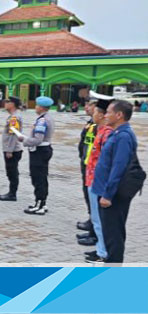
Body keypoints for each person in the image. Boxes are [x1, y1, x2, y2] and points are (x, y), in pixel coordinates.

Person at [93, 100, 141, 263]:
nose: (105, 115)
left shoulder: (123, 136)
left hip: (113, 195)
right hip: (107, 191)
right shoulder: (117, 133)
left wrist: (107, 195)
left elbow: (118, 168)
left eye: (108, 112)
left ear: (119, 115)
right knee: (110, 234)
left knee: (113, 235)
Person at [82, 97, 113, 262]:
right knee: (96, 218)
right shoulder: (99, 130)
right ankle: (101, 249)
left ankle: (103, 252)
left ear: (101, 115)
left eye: (94, 111)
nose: (91, 113)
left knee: (100, 220)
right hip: (91, 178)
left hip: (98, 181)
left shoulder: (107, 133)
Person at [20, 96, 55, 215]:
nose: (35, 108)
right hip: (45, 149)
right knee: (42, 177)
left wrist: (24, 140)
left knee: (38, 178)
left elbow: (38, 139)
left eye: (36, 105)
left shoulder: (42, 120)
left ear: (41, 107)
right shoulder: (47, 118)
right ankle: (42, 202)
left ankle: (39, 204)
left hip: (39, 151)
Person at [76, 100, 97, 233]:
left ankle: (94, 223)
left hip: (92, 165)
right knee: (86, 192)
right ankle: (91, 218)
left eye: (89, 105)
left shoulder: (99, 126)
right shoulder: (90, 123)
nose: (86, 107)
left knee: (92, 195)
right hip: (86, 162)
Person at [0, 96, 23, 201]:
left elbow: (13, 134)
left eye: (7, 102)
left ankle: (12, 194)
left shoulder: (14, 118)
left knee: (12, 172)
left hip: (12, 150)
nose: (5, 103)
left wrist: (9, 150)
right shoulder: (13, 116)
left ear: (12, 104)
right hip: (12, 149)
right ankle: (11, 192)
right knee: (11, 171)